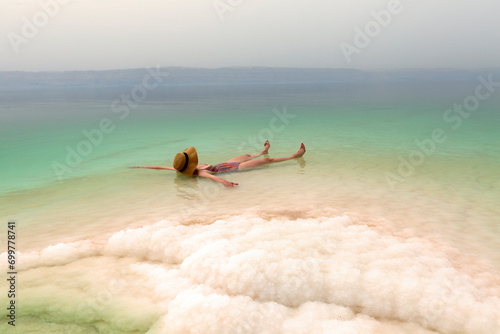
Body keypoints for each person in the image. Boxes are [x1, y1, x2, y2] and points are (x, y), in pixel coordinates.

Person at [129, 141, 306, 188]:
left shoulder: (179, 169)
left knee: (246, 154)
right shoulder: (198, 173)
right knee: (266, 163)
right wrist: (226, 183)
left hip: (224, 163)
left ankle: (262, 150)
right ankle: (294, 156)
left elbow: (161, 167)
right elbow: (213, 178)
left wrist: (142, 167)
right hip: (235, 169)